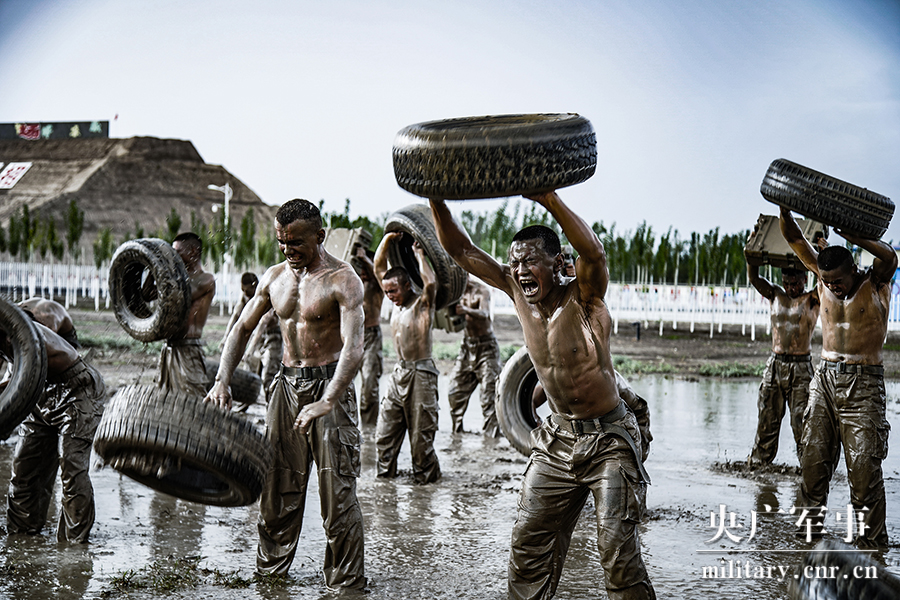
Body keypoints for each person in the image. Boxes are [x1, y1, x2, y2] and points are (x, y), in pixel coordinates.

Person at [430, 192, 654, 600]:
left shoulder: (586, 296)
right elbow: (461, 250)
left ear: (557, 262)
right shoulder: (515, 291)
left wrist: (548, 199)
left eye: (530, 261)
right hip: (557, 440)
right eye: (514, 263)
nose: (520, 271)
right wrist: (435, 195)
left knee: (617, 553)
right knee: (527, 545)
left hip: (609, 439)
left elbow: (595, 253)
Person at [205, 198, 367, 591]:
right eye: (281, 241)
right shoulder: (274, 277)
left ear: (320, 236)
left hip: (329, 388)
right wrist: (223, 379)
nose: (287, 250)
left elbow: (353, 348)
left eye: (295, 242)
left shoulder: (343, 280)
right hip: (286, 386)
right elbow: (242, 328)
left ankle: (346, 586)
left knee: (337, 495)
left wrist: (329, 398)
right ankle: (270, 579)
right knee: (277, 489)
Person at [780, 207, 897, 549]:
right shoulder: (822, 277)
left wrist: (855, 236)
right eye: (827, 282)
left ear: (854, 269)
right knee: (812, 464)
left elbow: (889, 256)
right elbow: (794, 237)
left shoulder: (876, 282)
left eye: (838, 281)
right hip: (824, 380)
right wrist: (784, 208)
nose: (832, 287)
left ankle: (871, 549)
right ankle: (808, 541)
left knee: (864, 475)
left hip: (864, 384)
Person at [4, 309, 106, 543]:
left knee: (71, 466)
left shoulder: (25, 333)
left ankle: (74, 543)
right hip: (39, 393)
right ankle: (20, 535)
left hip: (76, 389)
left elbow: (23, 375)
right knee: (24, 467)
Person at [373, 232, 441, 484]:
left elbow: (431, 283)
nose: (389, 296)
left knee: (421, 439)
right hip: (398, 373)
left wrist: (419, 254)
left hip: (421, 374)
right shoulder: (396, 304)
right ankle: (385, 484)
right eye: (386, 292)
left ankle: (426, 485)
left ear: (407, 286)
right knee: (384, 434)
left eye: (393, 291)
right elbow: (379, 267)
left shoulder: (422, 304)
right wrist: (387, 240)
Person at [744, 259, 819, 467]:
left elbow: (825, 282)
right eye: (787, 283)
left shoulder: (812, 299)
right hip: (775, 364)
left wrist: (819, 255)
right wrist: (751, 252)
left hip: (801, 366)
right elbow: (754, 278)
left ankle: (809, 469)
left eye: (795, 284)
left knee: (802, 421)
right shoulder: (775, 294)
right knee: (767, 417)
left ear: (805, 280)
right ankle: (759, 465)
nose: (791, 288)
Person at [147, 232, 216, 397]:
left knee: (194, 401)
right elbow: (147, 294)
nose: (172, 256)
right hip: (169, 349)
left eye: (176, 252)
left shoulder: (205, 279)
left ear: (193, 251)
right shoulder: (176, 279)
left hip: (189, 349)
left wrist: (162, 268)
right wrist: (152, 265)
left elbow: (179, 295)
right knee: (165, 401)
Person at [447, 278, 502, 437]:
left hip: (486, 347)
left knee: (488, 394)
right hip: (467, 346)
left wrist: (466, 310)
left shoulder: (481, 291)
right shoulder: (455, 292)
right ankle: (457, 432)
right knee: (455, 390)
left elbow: (485, 314)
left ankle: (491, 437)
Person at [350, 247, 384, 426]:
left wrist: (365, 259)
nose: (363, 271)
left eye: (366, 267)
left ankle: (369, 428)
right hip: (352, 338)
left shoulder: (377, 285)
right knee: (342, 384)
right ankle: (348, 426)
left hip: (371, 337)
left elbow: (378, 274)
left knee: (370, 386)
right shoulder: (353, 284)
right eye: (361, 267)